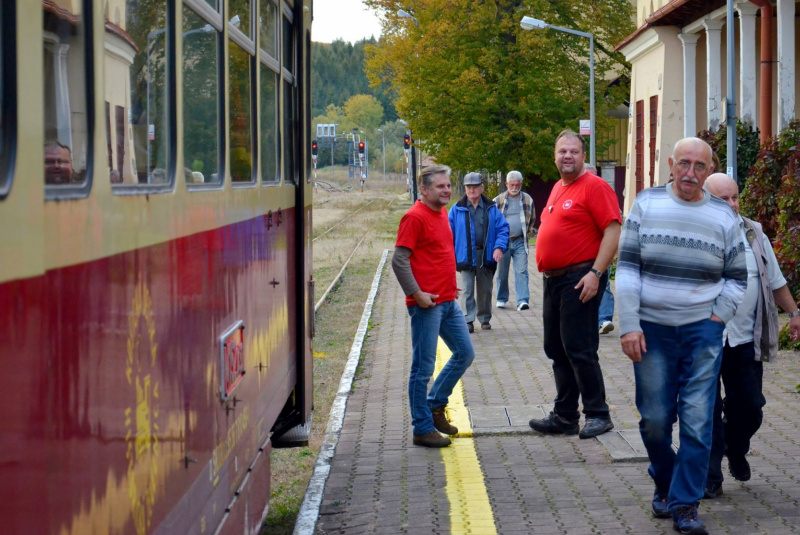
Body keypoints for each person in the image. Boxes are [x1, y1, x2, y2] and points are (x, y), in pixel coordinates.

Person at [617, 138, 747, 535]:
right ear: (671, 165)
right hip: (651, 331)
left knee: (697, 421)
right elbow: (627, 268)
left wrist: (715, 319)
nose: (691, 173)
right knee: (655, 421)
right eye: (684, 164)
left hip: (701, 333)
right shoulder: (646, 204)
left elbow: (738, 277)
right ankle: (665, 481)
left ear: (710, 171)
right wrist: (629, 323)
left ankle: (685, 504)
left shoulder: (724, 217)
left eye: (700, 166)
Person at [703, 173, 800, 498]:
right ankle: (710, 476)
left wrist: (794, 312)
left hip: (745, 338)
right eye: (724, 199)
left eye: (735, 197)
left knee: (751, 408)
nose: (732, 204)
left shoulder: (753, 233)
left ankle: (735, 444)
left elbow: (774, 280)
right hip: (705, 339)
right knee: (706, 410)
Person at [529, 129, 621, 440]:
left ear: (583, 156)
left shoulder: (594, 187)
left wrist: (596, 273)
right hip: (553, 281)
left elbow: (612, 230)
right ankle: (565, 416)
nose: (568, 156)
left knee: (580, 349)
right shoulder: (557, 188)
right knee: (556, 348)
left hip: (579, 278)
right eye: (562, 151)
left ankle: (598, 414)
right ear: (554, 156)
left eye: (574, 151)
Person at [392, 164, 476, 448]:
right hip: (426, 306)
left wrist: (450, 285)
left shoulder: (441, 213)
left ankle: (435, 405)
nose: (447, 190)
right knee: (422, 369)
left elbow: (438, 254)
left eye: (448, 185)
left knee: (465, 353)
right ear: (424, 189)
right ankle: (422, 428)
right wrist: (416, 293)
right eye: (440, 186)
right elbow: (399, 260)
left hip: (448, 301)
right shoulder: (414, 217)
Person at [448, 172, 509, 332]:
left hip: (486, 254)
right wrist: (449, 254)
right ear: (465, 188)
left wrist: (499, 247)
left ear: (482, 188)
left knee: (485, 289)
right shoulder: (456, 209)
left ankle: (484, 319)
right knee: (467, 289)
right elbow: (447, 233)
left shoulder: (491, 208)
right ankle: (468, 320)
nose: (472, 190)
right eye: (469, 187)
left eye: (475, 186)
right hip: (465, 254)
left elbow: (503, 228)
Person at [493, 170, 535, 311]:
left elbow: (532, 219)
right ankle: (501, 298)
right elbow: (491, 221)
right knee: (501, 272)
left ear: (521, 184)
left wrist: (527, 234)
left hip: (520, 241)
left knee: (522, 271)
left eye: (518, 184)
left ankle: (522, 300)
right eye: (512, 184)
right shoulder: (498, 200)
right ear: (506, 184)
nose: (515, 187)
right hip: (502, 242)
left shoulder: (528, 199)